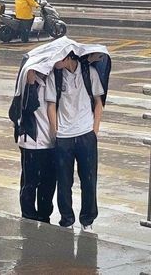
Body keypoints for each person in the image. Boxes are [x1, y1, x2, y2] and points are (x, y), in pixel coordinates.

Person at [45, 51, 105, 231]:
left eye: (58, 57)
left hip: (86, 133)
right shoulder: (54, 76)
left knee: (88, 180)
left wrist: (94, 130)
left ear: (68, 57)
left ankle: (87, 220)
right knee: (64, 181)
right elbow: (51, 105)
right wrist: (55, 131)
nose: (54, 61)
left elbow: (98, 102)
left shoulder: (89, 73)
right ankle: (67, 219)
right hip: (64, 137)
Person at [9, 66, 56, 223]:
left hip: (50, 141)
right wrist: (30, 83)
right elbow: (28, 107)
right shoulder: (26, 82)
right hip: (31, 142)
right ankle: (28, 216)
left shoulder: (52, 80)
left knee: (48, 182)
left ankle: (44, 215)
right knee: (30, 182)